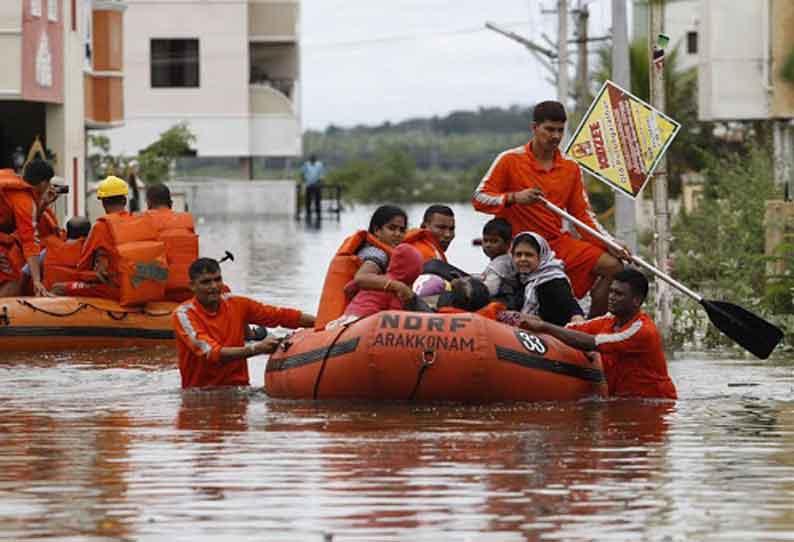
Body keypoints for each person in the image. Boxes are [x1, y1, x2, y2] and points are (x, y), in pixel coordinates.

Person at [472, 100, 630, 317]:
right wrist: (514, 197)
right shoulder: (509, 160)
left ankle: (591, 329)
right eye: (549, 129)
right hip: (519, 246)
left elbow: (581, 214)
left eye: (560, 130)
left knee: (614, 265)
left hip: (555, 243)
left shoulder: (570, 167)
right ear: (534, 128)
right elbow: (479, 198)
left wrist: (610, 243)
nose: (555, 136)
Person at [520, 268, 677, 400]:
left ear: (636, 300)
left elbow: (590, 342)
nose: (611, 297)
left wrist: (544, 326)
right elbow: (573, 329)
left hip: (656, 402)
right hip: (624, 400)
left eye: (619, 294)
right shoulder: (609, 320)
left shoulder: (641, 330)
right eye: (611, 291)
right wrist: (537, 323)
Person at [173, 257, 316, 388]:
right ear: (192, 286)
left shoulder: (237, 304)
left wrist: (324, 322)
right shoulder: (184, 314)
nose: (214, 286)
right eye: (206, 282)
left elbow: (280, 315)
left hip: (240, 389)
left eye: (218, 280)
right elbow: (211, 352)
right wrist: (256, 349)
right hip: (200, 394)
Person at [53, 176, 168, 304]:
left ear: (103, 202)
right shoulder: (141, 221)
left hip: (115, 290)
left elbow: (82, 269)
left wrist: (96, 275)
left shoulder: (101, 226)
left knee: (58, 287)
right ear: (125, 200)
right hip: (142, 288)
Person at [315, 204, 410, 328]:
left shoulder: (373, 249)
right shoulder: (377, 254)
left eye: (402, 230)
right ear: (377, 230)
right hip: (352, 322)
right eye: (392, 228)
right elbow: (361, 278)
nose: (397, 234)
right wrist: (397, 286)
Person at [0, 158, 58, 297]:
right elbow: (29, 240)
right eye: (48, 183)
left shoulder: (6, 179)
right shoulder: (24, 200)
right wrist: (37, 281)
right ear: (43, 183)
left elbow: (24, 225)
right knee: (13, 282)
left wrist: (42, 205)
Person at [329, 244, 424, 325]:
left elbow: (348, 289)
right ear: (412, 274)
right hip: (361, 324)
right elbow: (395, 317)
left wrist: (357, 301)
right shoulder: (397, 291)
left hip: (346, 318)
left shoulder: (374, 280)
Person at [510, 231, 583, 326]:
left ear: (541, 256)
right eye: (518, 255)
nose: (522, 259)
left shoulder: (553, 282)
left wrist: (517, 317)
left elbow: (557, 321)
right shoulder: (522, 278)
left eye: (529, 255)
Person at [143, 183, 199, 302]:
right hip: (190, 288)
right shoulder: (187, 221)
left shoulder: (141, 221)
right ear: (171, 203)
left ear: (148, 203)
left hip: (159, 292)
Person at [480, 218, 519, 307]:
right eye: (485, 240)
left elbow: (489, 290)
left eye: (494, 241)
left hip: (505, 303)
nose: (488, 245)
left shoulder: (500, 264)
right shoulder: (511, 258)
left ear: (508, 243)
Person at [300, 154, 326, 219]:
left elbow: (322, 174)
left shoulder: (319, 165)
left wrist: (321, 182)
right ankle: (308, 214)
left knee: (317, 200)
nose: (312, 161)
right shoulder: (306, 164)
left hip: (317, 185)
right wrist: (304, 181)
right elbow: (302, 173)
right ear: (309, 160)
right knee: (308, 200)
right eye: (311, 159)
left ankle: (318, 214)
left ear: (315, 159)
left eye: (313, 159)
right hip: (308, 185)